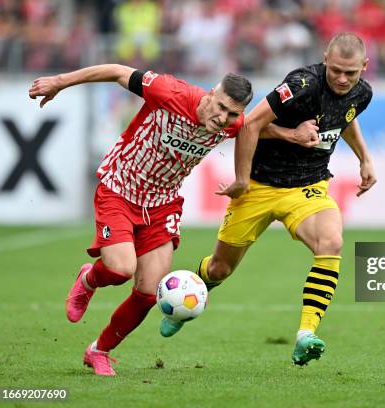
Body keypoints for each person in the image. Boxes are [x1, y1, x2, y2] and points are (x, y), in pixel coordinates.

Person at [164, 33, 377, 367]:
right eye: (336, 70)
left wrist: (365, 157)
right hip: (259, 186)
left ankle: (306, 334)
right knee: (221, 268)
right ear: (325, 59)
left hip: (308, 187)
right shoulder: (302, 84)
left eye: (351, 73)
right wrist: (242, 180)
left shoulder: (362, 93)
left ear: (364, 67)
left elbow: (344, 117)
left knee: (331, 241)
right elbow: (248, 125)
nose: (342, 78)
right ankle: (183, 303)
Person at [28, 64, 253, 376]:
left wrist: (245, 174)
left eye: (232, 114)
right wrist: (59, 80)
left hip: (162, 203)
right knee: (120, 269)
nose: (223, 118)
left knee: (148, 292)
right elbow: (117, 71)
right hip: (120, 188)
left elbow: (251, 128)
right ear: (212, 93)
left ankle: (99, 351)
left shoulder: (233, 123)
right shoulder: (170, 91)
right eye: (222, 108)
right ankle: (89, 280)